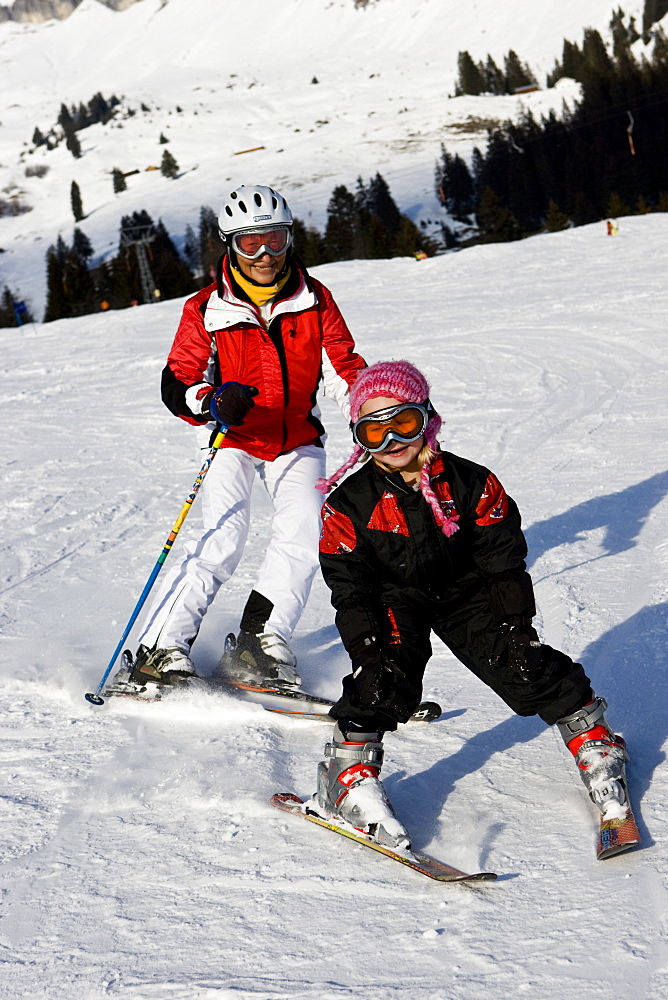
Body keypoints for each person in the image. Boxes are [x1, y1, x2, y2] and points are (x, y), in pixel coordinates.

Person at [310, 360, 630, 849]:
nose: (392, 441)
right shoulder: (348, 505)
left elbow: (502, 562)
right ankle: (345, 774)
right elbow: (351, 589)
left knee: (521, 663)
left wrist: (518, 628)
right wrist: (368, 651)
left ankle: (593, 737)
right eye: (374, 430)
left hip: (467, 590)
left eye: (404, 423)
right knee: (383, 680)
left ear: (428, 418)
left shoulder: (472, 483)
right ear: (359, 437)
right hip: (393, 598)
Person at [130, 184, 365, 690]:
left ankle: (262, 641)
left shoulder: (314, 298)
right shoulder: (206, 309)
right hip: (231, 438)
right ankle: (162, 646)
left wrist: (376, 409)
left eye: (276, 240)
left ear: (289, 239)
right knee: (223, 537)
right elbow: (177, 381)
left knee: (304, 530)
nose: (265, 255)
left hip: (296, 436)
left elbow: (344, 368)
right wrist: (210, 401)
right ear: (229, 245)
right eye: (250, 243)